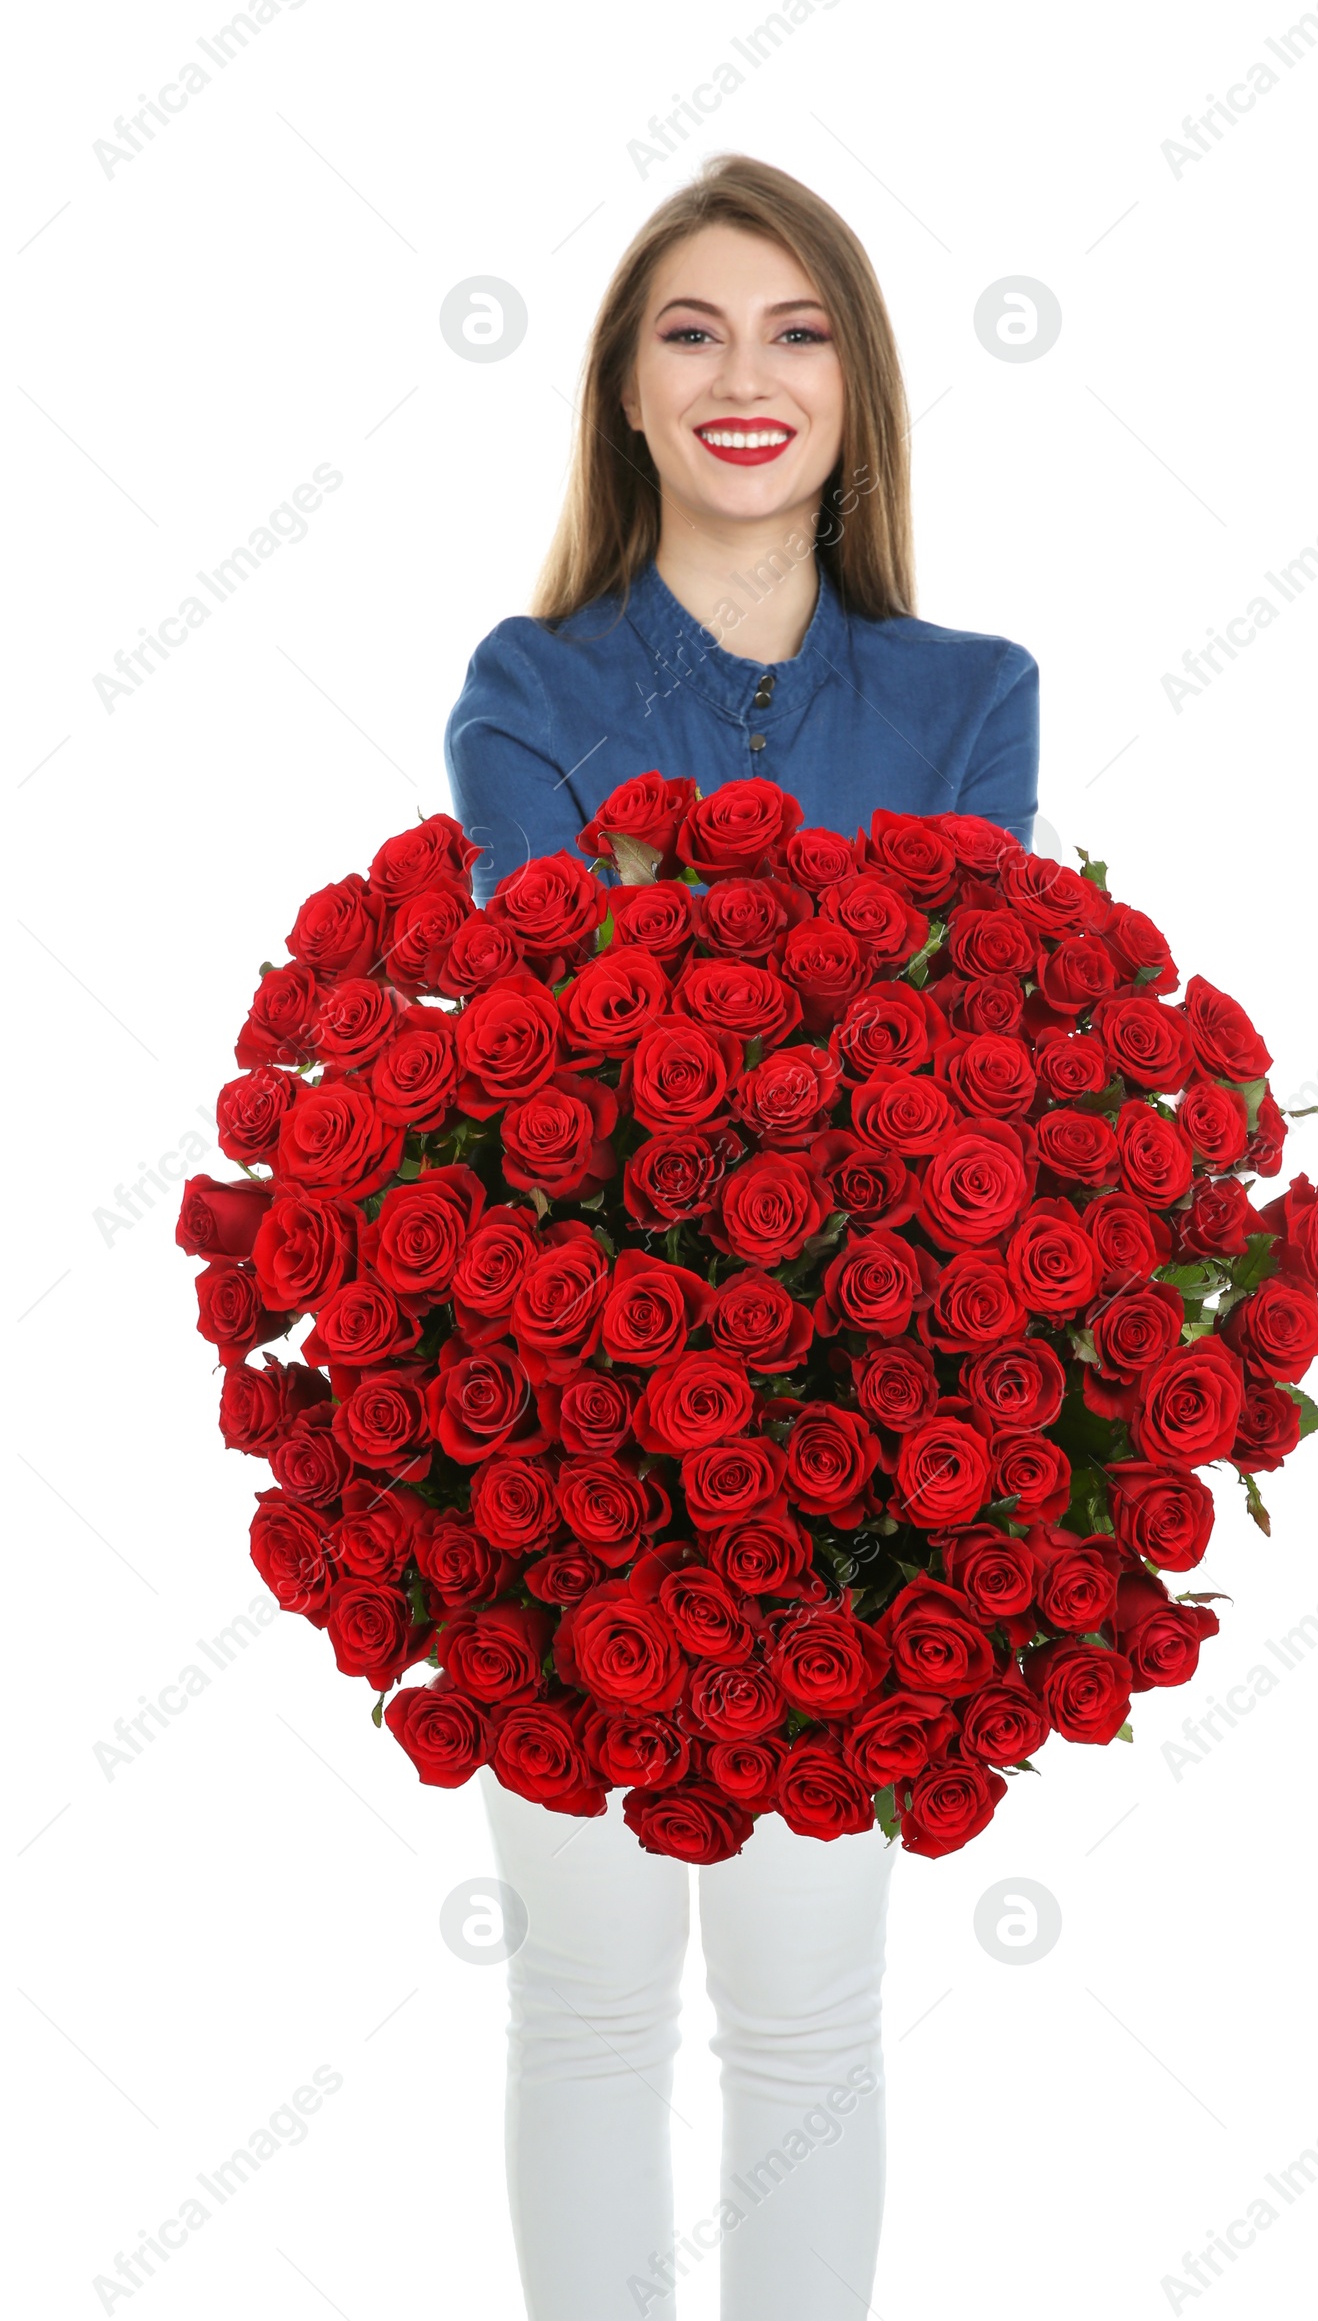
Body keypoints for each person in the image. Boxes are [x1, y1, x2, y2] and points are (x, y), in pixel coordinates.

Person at [443, 152, 1039, 2321]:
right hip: (562, 1429)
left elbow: (958, 1051)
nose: (743, 375)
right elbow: (564, 1059)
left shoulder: (970, 691)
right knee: (592, 2004)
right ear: (618, 389)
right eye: (689, 330)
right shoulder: (526, 683)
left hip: (869, 1449)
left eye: (795, 331)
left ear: (859, 392)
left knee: (805, 2014)